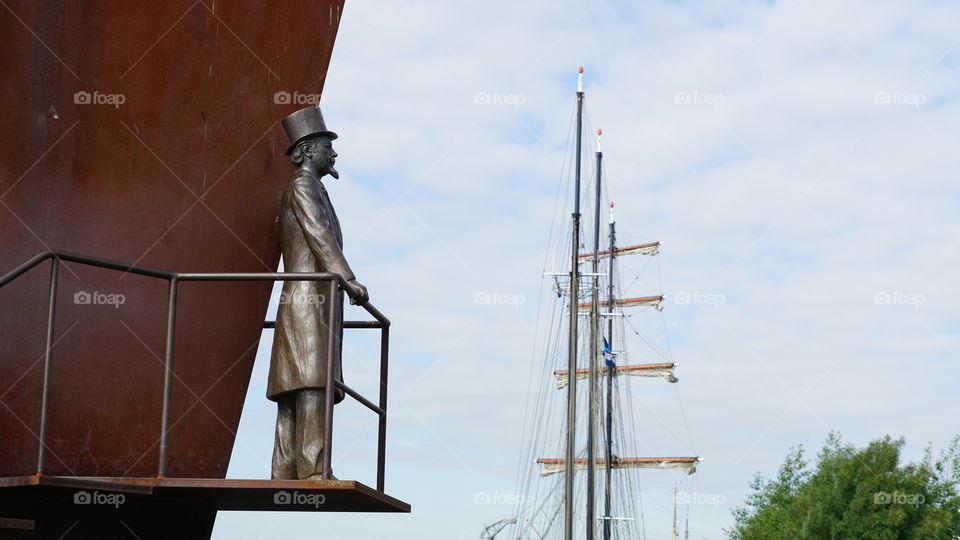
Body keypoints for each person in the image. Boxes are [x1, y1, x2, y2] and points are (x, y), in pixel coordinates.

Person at [268, 106, 368, 480]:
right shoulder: (304, 186)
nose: (334, 154)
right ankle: (312, 469)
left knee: (299, 383)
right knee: (310, 381)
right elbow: (319, 236)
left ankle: (285, 468)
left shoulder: (310, 186)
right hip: (308, 298)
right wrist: (349, 279)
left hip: (311, 298)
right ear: (308, 150)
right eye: (328, 146)